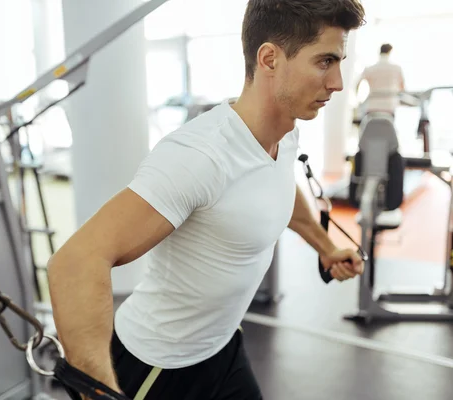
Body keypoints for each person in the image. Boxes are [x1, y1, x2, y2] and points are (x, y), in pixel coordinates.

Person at [48, 1, 366, 399]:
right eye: (325, 62)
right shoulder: (199, 156)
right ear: (270, 58)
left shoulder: (285, 133)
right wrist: (96, 391)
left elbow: (278, 189)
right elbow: (75, 263)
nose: (337, 82)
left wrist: (326, 247)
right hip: (157, 366)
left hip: (222, 347)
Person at [356, 43, 406, 117]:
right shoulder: (397, 68)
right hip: (389, 106)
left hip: (372, 105)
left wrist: (359, 101)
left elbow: (357, 84)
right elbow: (402, 88)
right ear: (390, 52)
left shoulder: (370, 69)